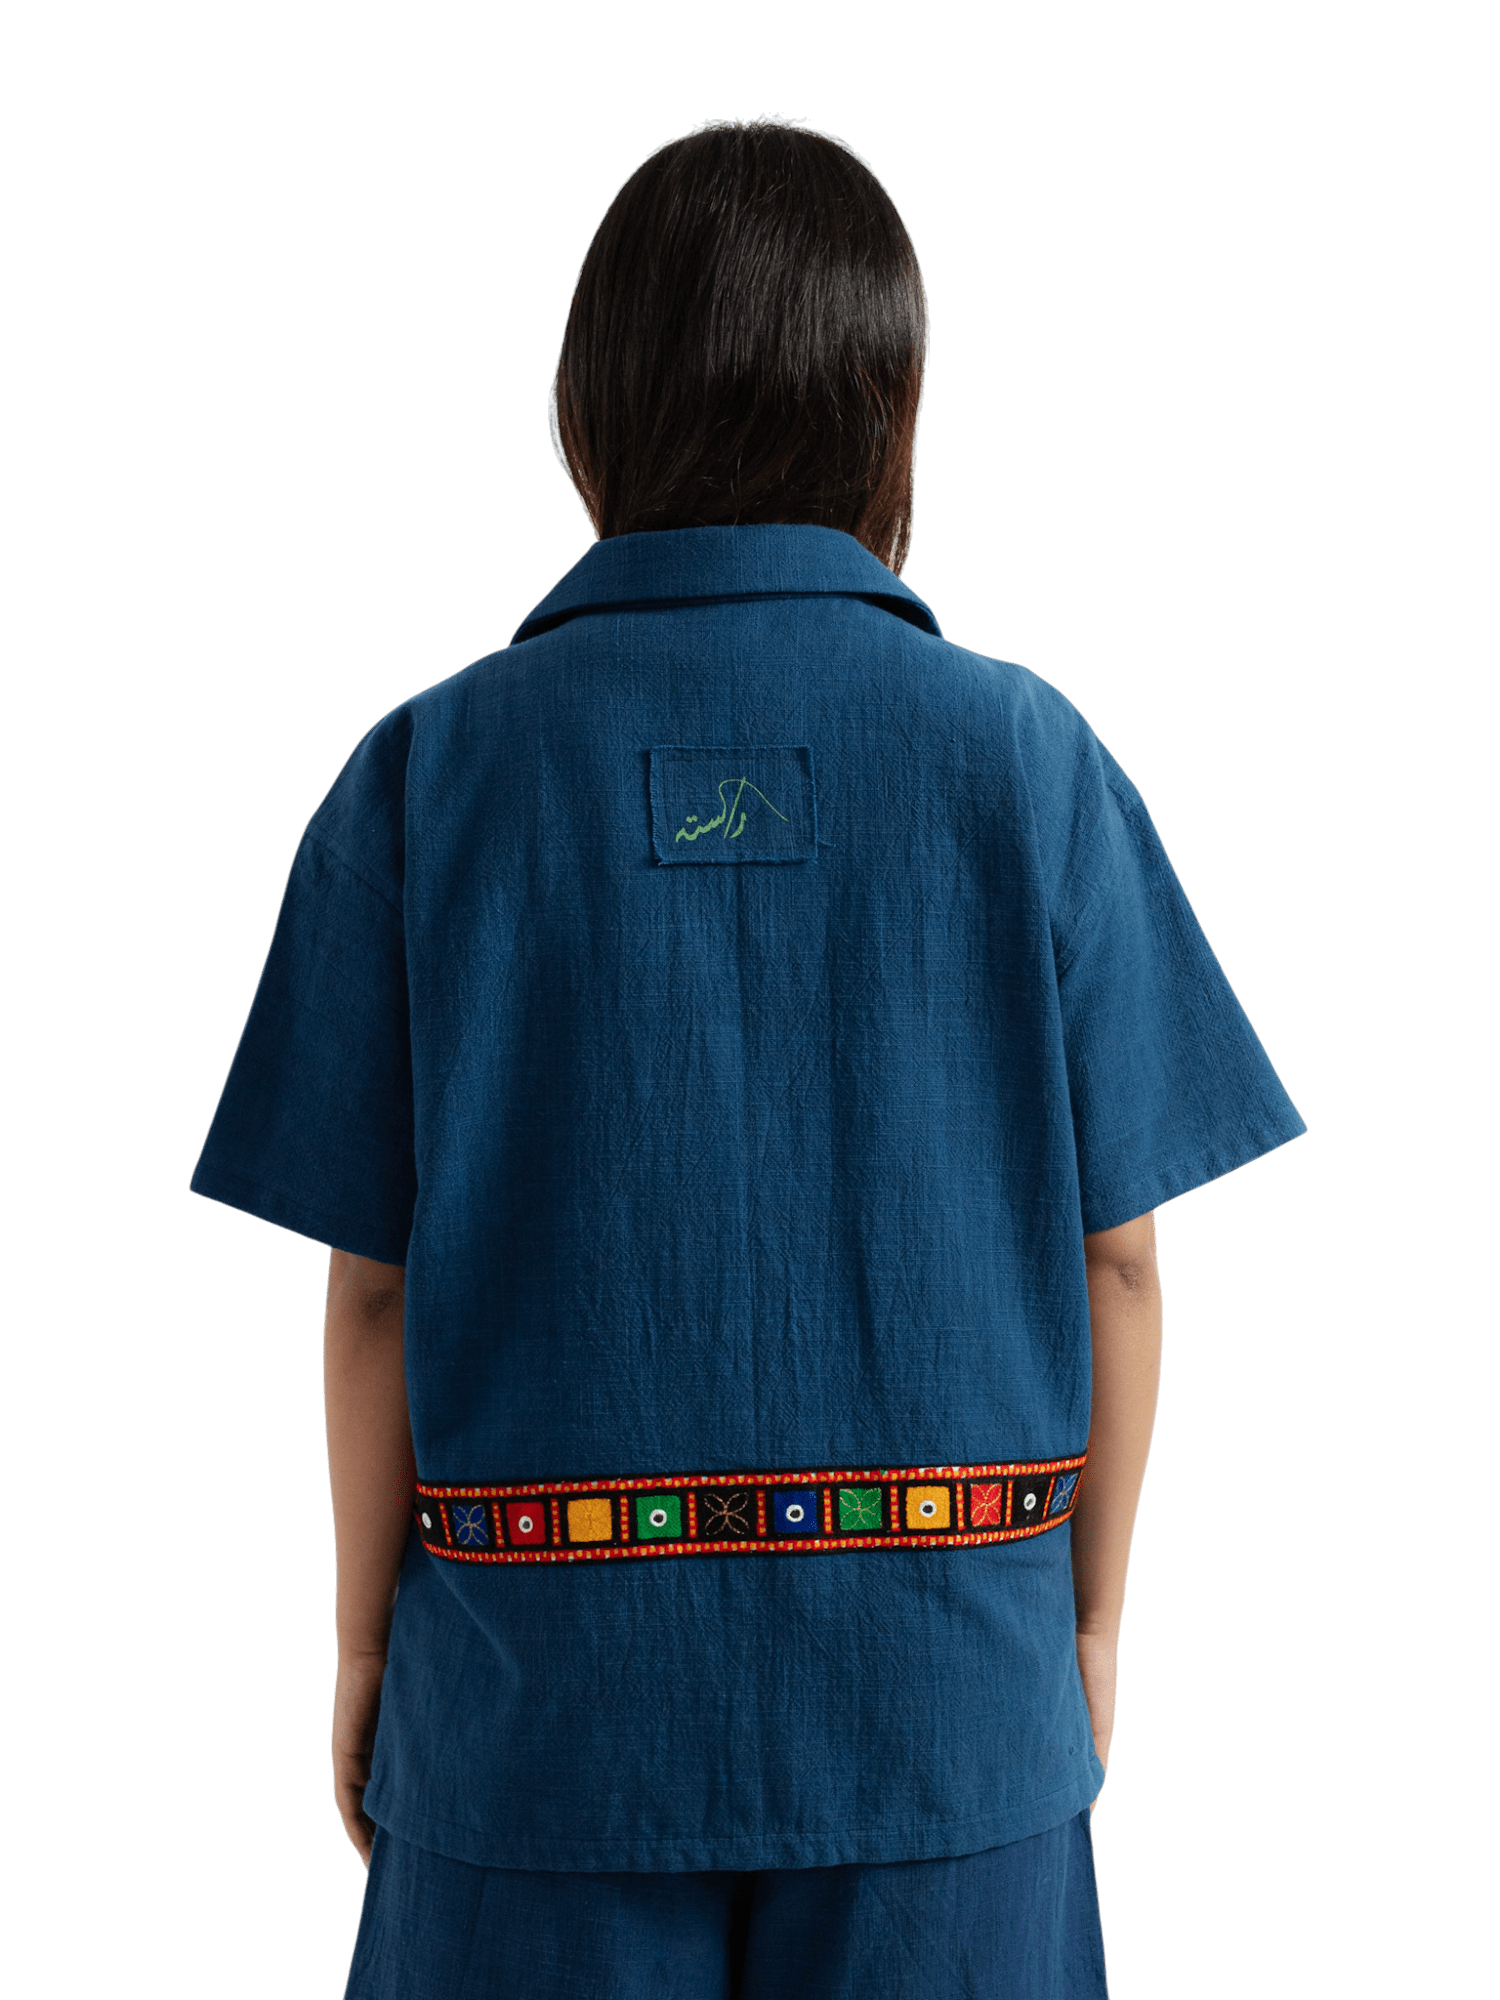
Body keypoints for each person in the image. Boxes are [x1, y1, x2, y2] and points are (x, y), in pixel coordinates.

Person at [190, 115, 1305, 1999]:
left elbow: (372, 1292)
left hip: (528, 1738)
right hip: (953, 1721)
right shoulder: (1028, 763)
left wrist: (370, 1652)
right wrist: (1089, 1631)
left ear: (585, 414)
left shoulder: (428, 777)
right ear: (895, 416)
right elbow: (1119, 1260)